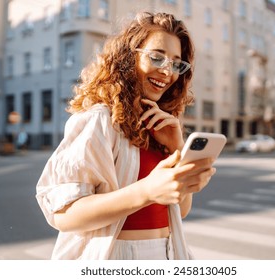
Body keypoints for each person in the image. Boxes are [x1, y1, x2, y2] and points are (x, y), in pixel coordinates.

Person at [36, 12, 217, 260]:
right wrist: (146, 191)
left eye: (176, 63)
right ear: (128, 57)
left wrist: (177, 148)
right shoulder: (100, 119)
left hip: (168, 254)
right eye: (157, 57)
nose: (167, 72)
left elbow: (181, 210)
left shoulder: (162, 125)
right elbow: (63, 214)